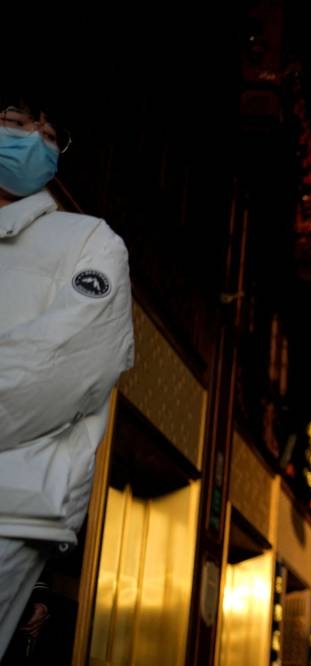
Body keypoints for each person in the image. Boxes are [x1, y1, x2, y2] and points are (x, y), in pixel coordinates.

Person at [0, 82, 135, 658]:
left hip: (12, 502)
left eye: (50, 135)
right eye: (15, 122)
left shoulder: (89, 242)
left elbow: (61, 368)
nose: (34, 140)